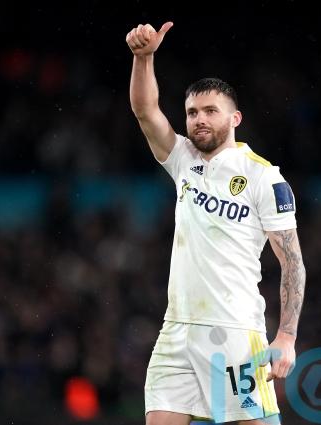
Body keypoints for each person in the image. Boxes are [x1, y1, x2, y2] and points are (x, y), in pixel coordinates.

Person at [126, 21, 306, 425]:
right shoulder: (182, 160)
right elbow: (145, 111)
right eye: (192, 112)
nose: (199, 119)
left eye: (210, 111)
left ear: (235, 118)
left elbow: (292, 262)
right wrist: (144, 58)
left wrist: (287, 335)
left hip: (235, 334)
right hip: (177, 333)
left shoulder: (263, 177)